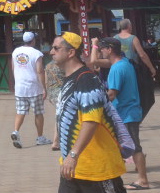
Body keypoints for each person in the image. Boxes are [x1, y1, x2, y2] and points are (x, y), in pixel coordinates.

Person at [50, 32, 128, 192]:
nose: (51, 52)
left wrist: (73, 155)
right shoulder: (70, 79)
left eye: (56, 48)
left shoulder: (86, 80)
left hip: (97, 170)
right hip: (74, 169)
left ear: (71, 52)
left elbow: (91, 121)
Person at [98, 37, 150, 190]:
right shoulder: (125, 63)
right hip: (128, 111)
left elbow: (112, 94)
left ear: (109, 49)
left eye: (102, 48)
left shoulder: (116, 68)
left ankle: (143, 180)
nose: (101, 51)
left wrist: (96, 104)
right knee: (124, 146)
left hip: (126, 113)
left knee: (134, 147)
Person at [10, 31, 49, 149]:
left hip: (20, 87)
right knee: (38, 113)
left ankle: (16, 131)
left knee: (20, 111)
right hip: (34, 87)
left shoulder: (15, 51)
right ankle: (40, 137)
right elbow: (39, 71)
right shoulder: (37, 53)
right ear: (33, 40)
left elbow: (13, 68)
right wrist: (44, 88)